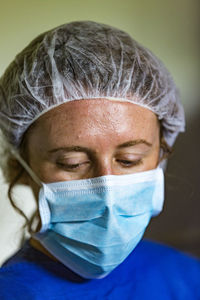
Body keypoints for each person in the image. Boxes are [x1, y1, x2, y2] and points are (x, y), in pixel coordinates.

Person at [0, 21, 199, 300]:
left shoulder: (185, 276)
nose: (107, 187)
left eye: (129, 160)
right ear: (20, 167)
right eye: (72, 163)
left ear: (160, 155)